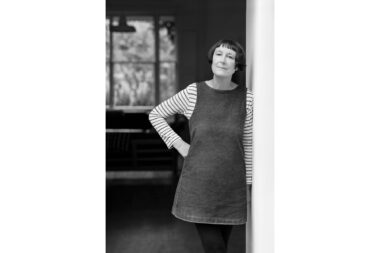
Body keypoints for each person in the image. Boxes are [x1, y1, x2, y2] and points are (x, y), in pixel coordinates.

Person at [149, 39, 253, 253]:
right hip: (199, 187)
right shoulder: (193, 93)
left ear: (237, 66)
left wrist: (249, 185)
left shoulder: (247, 99)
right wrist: (180, 144)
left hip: (231, 189)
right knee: (215, 248)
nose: (223, 60)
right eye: (219, 54)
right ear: (211, 59)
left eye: (230, 56)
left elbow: (249, 144)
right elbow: (156, 114)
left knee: (220, 247)